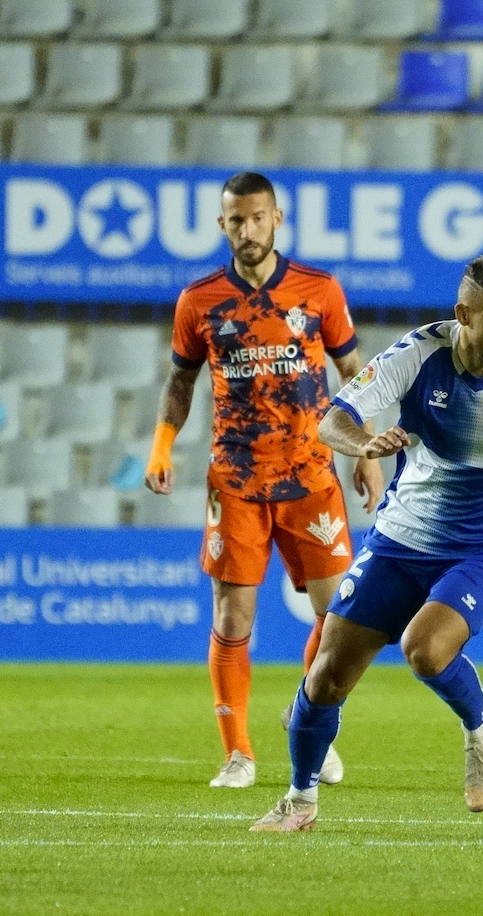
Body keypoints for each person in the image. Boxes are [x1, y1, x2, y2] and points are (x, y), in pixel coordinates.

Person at [249, 251, 483, 832]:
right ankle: (299, 799)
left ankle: (482, 727)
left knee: (425, 648)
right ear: (463, 313)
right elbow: (331, 420)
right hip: (401, 536)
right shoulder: (418, 354)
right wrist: (364, 444)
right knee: (323, 679)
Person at [144, 171, 383, 789]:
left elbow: (354, 370)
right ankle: (238, 754)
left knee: (341, 621)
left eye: (256, 218)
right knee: (232, 620)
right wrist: (162, 445)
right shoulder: (198, 301)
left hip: (312, 474)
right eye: (235, 220)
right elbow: (180, 382)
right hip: (238, 480)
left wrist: (364, 450)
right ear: (221, 224)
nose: (246, 230)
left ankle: (307, 720)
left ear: (277, 218)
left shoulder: (319, 289)